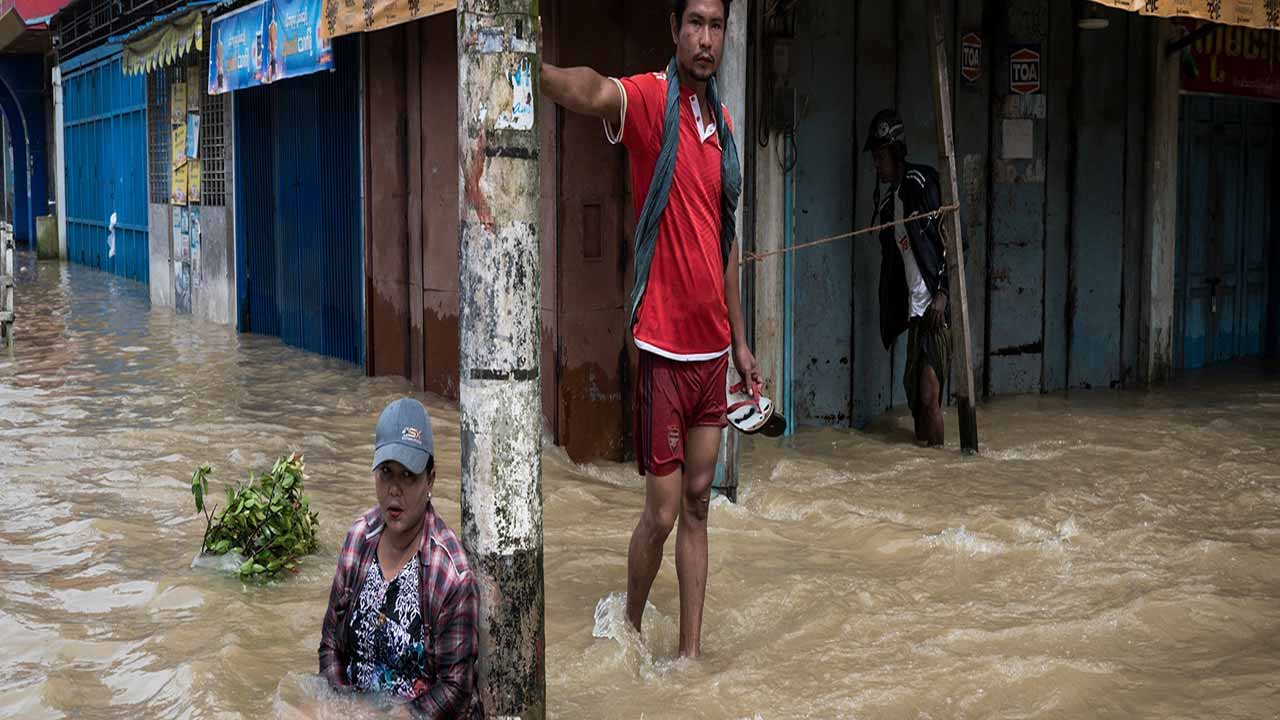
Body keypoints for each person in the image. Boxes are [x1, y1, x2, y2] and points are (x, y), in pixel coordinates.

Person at [540, 0, 759, 659]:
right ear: (674, 29)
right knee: (662, 512)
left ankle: (689, 654)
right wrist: (530, 69)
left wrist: (743, 345)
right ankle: (629, 622)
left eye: (716, 26)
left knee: (699, 503)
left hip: (713, 352)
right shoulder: (652, 99)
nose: (705, 38)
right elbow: (593, 89)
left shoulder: (721, 125)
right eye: (694, 22)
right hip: (663, 349)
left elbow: (726, 247)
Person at [319, 398, 480, 718]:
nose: (395, 490)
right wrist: (340, 708)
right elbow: (330, 647)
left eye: (408, 476)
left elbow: (456, 688)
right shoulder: (358, 540)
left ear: (430, 480)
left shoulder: (450, 575)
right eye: (387, 473)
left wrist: (401, 717)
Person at [864, 109, 951, 447]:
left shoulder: (922, 183)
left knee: (930, 396)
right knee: (917, 402)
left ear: (896, 152)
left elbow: (952, 242)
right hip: (916, 313)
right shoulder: (890, 204)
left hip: (935, 309)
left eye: (880, 155)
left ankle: (942, 463)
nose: (876, 164)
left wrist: (942, 293)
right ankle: (926, 468)